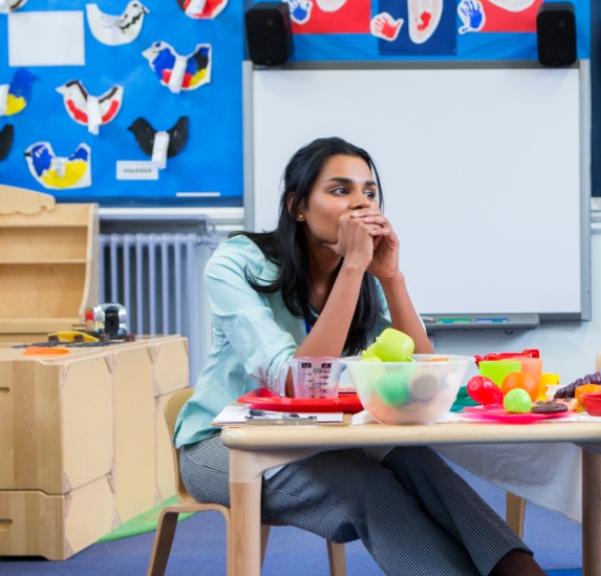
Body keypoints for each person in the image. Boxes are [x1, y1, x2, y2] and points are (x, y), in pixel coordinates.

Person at [173, 137, 545, 576]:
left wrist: (391, 278)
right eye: (340, 190)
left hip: (317, 438)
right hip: (225, 444)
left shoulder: (364, 277)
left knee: (415, 458)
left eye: (369, 192)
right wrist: (353, 268)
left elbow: (427, 373)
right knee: (368, 487)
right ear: (297, 206)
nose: (360, 205)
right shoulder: (235, 263)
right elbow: (299, 382)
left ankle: (518, 570)